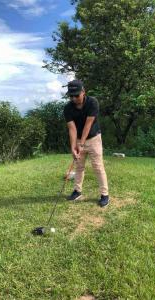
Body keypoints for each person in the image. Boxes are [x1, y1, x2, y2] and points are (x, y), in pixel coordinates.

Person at [64, 79, 109, 207]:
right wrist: (73, 147)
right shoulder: (67, 108)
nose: (74, 98)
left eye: (76, 95)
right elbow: (72, 128)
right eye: (71, 96)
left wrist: (81, 144)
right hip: (78, 140)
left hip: (94, 139)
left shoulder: (92, 102)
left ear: (83, 92)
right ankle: (77, 191)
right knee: (79, 167)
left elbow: (88, 125)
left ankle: (105, 194)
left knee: (98, 166)